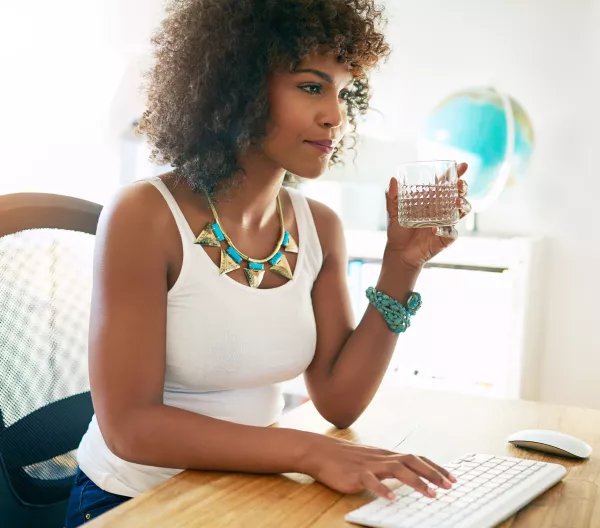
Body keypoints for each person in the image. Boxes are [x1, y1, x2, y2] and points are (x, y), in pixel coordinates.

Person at [65, 0, 471, 525]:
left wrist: (402, 264)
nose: (335, 114)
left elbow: (338, 401)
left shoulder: (319, 226)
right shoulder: (144, 215)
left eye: (343, 91)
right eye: (311, 86)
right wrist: (309, 452)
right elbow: (131, 427)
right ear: (237, 89)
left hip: (253, 494)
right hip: (135, 502)